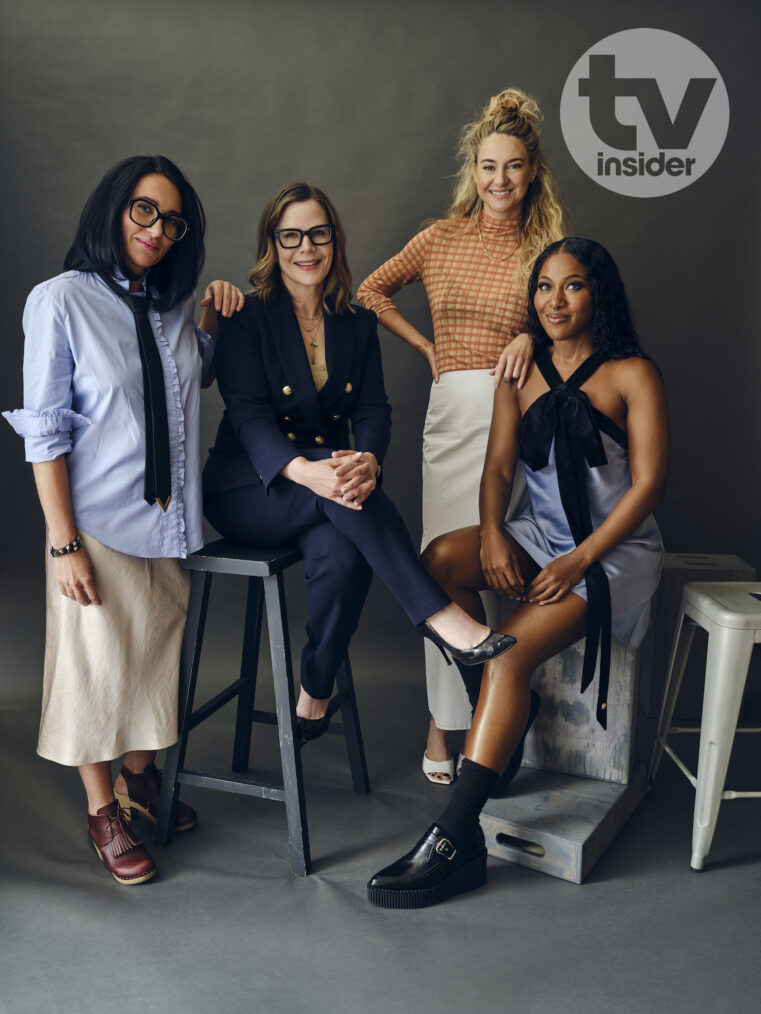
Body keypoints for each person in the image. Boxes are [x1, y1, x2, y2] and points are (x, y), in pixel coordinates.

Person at [367, 237, 668, 908]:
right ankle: (500, 717)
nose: (554, 301)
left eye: (572, 286)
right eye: (542, 287)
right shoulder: (520, 365)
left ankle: (454, 837)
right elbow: (499, 466)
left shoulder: (630, 374)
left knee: (505, 658)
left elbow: (647, 485)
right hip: (540, 534)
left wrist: (578, 560)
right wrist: (497, 534)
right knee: (437, 562)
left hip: (607, 552)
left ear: (599, 295)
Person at [202, 182, 517, 741]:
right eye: (291, 235)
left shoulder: (356, 321)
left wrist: (369, 458)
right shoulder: (247, 318)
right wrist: (308, 469)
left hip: (330, 495)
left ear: (334, 240)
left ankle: (313, 693)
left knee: (344, 556)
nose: (307, 248)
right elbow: (249, 418)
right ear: (272, 245)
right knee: (338, 481)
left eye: (318, 233)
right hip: (251, 488)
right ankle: (441, 618)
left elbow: (374, 408)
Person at [3, 155, 244, 885]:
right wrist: (63, 542)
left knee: (153, 665)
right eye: (146, 211)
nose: (158, 230)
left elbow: (184, 381)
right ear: (113, 210)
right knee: (94, 672)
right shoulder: (60, 301)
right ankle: (103, 809)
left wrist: (211, 322)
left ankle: (141, 783)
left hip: (169, 521)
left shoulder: (170, 304)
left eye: (172, 221)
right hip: (96, 526)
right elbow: (46, 432)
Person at [357, 88, 565, 783]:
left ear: (531, 171)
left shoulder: (543, 248)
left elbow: (566, 324)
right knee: (440, 573)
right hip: (451, 412)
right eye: (486, 166)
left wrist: (527, 338)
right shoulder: (439, 237)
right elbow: (371, 291)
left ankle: (495, 725)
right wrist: (426, 347)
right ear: (471, 171)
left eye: (511, 166)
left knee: (506, 565)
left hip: (516, 410)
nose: (498, 180)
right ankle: (444, 727)